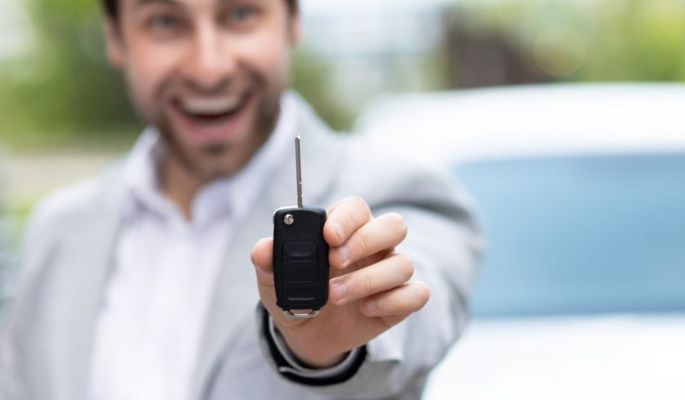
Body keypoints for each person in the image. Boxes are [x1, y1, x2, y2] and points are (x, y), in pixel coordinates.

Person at [0, 0, 481, 398]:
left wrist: (327, 348)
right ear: (116, 38)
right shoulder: (58, 229)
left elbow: (419, 317)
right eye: (165, 22)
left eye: (240, 15)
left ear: (293, 21)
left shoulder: (400, 193)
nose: (208, 68)